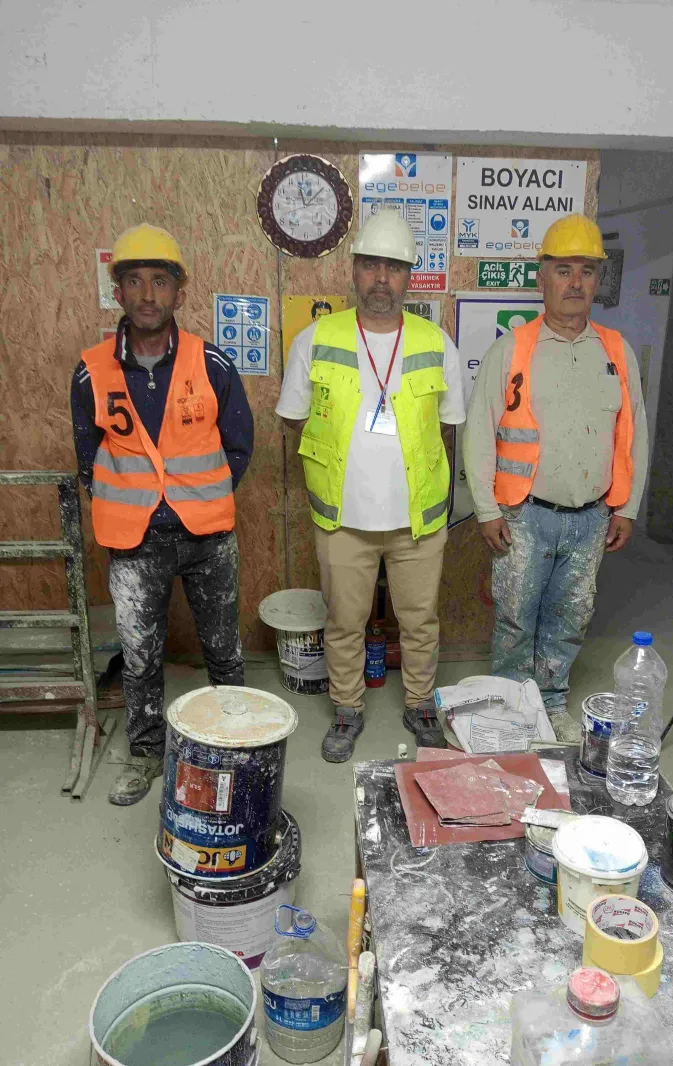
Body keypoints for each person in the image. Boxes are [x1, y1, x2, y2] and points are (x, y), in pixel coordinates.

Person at [71, 224, 254, 805]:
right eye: (134, 281)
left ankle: (236, 746)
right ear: (118, 292)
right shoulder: (91, 371)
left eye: (160, 281)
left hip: (207, 536)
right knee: (140, 656)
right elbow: (88, 460)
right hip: (134, 540)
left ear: (179, 292)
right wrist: (140, 504)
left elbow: (239, 446)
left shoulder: (212, 363)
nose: (148, 294)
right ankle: (146, 753)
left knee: (223, 649)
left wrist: (197, 498)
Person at [277, 211, 465, 762]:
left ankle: (420, 705)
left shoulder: (437, 344)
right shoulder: (317, 338)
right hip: (343, 518)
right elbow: (294, 418)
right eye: (371, 265)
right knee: (344, 622)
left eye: (395, 267)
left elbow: (448, 426)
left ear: (410, 276)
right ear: (353, 269)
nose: (382, 278)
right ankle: (347, 709)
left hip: (417, 520)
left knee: (420, 621)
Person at [463, 214, 648, 741]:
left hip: (591, 519)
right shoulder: (512, 349)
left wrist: (628, 507)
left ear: (598, 279)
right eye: (563, 270)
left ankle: (549, 704)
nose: (575, 282)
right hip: (524, 515)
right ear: (541, 276)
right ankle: (509, 708)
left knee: (569, 619)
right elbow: (478, 433)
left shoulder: (617, 352)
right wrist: (486, 509)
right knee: (515, 619)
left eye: (586, 271)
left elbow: (634, 432)